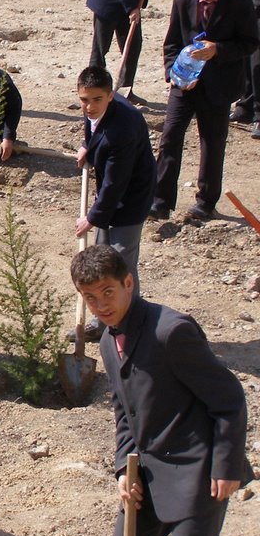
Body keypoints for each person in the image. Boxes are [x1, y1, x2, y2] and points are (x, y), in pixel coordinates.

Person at [69, 245, 253, 536]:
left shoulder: (170, 331)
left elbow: (229, 399)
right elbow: (124, 410)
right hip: (150, 474)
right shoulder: (109, 342)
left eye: (107, 292)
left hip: (200, 474)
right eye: (90, 297)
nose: (100, 305)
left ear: (129, 283)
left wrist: (226, 467)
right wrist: (125, 466)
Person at [151, 0, 259, 221]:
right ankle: (160, 200)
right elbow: (172, 44)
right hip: (184, 86)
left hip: (218, 86)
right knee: (170, 138)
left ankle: (206, 202)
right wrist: (173, 75)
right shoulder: (183, 0)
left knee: (212, 144)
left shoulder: (238, 2)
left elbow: (249, 42)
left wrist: (218, 50)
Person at [74, 66, 156, 341]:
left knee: (121, 266)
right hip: (111, 197)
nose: (89, 106)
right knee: (101, 259)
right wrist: (88, 145)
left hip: (131, 199)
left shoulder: (121, 131)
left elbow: (115, 184)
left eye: (96, 100)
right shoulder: (96, 108)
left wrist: (92, 217)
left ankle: (132, 329)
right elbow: (93, 125)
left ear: (110, 96)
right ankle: (104, 325)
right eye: (84, 100)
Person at [212, 0, 260, 136]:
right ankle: (245, 107)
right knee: (245, 68)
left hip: (257, 25)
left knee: (257, 69)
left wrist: (241, 19)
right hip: (244, 28)